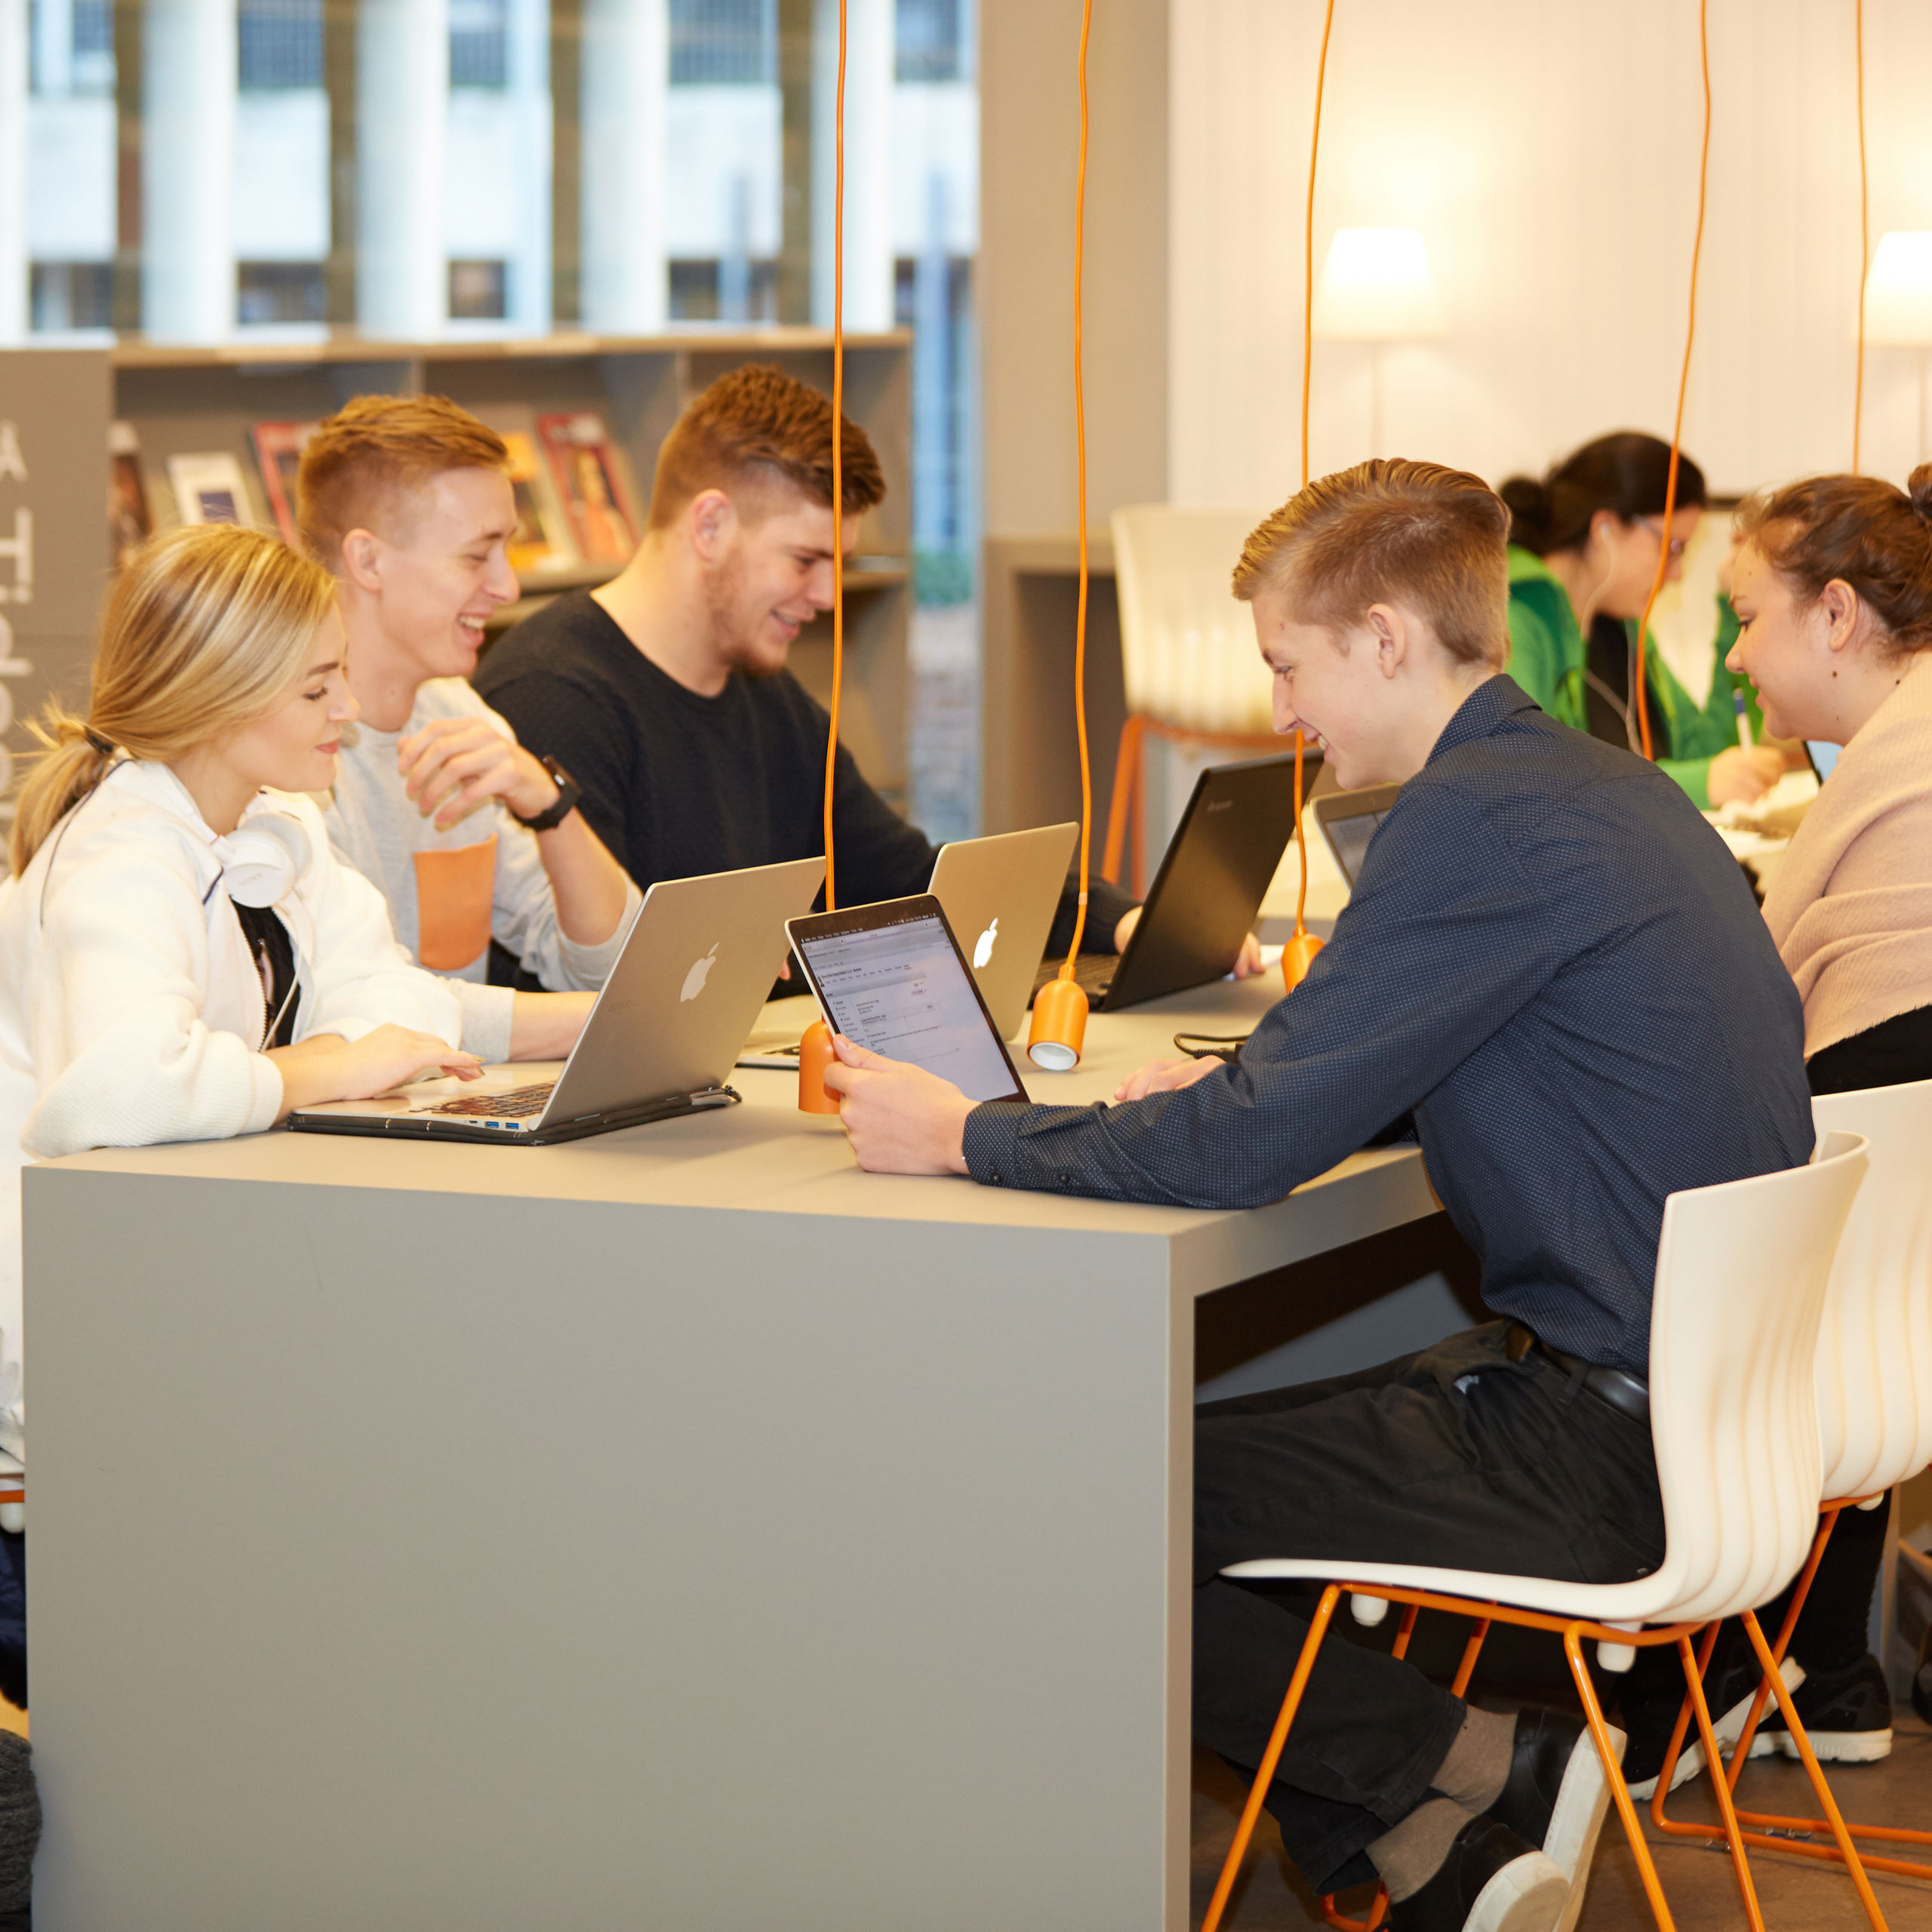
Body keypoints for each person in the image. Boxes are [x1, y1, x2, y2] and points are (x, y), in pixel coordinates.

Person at [818, 460, 1814, 1931]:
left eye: (1289, 664)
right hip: (1714, 1408)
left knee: (1072, 1487)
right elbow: (1507, 1049)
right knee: (1192, 1442)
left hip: (1608, 1441)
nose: (1280, 709)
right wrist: (1270, 1087)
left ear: (1384, 638)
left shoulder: (1470, 820)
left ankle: (1455, 1768)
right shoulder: (1589, 785)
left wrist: (969, 1131)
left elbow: (1240, 1154)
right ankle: (1439, 1819)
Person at [0, 525, 506, 1730]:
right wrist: (320, 1065)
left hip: (160, 1336)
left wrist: (347, 1048)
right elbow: (126, 1088)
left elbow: (399, 1002)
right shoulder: (121, 855)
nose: (349, 713)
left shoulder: (276, 827)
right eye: (317, 689)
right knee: (143, 1734)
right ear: (219, 697)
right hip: (56, 1407)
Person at [475, 365, 1194, 973]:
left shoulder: (766, 695)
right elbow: (582, 976)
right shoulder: (550, 699)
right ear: (710, 525)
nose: (826, 597)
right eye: (805, 560)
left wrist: (1120, 920)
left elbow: (910, 884)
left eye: (838, 565)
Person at [1617, 465, 1932, 1783]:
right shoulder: (1900, 759)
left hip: (1805, 1381)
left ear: (1838, 615)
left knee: (1615, 1245)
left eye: (1749, 617)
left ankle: (1696, 1678)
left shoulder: (1898, 782)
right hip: (1886, 1378)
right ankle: (1828, 1668)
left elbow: (1765, 1023)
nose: (1737, 655)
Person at [300, 395, 641, 1067]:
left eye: (505, 551)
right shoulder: (288, 753)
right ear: (368, 561)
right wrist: (634, 1017)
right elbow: (365, 1006)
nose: (508, 587)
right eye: (475, 557)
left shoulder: (460, 716)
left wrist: (550, 806)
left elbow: (606, 966)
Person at [1500, 432, 1791, 809]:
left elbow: (1706, 752)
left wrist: (1736, 608)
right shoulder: (1516, 620)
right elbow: (1529, 777)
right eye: (1672, 547)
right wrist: (1699, 784)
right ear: (1605, 529)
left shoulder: (1622, 626)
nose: (1677, 573)